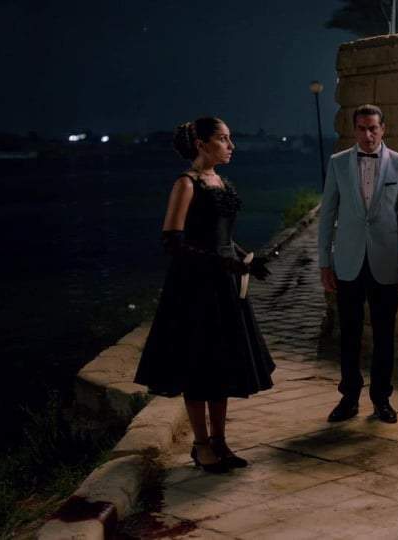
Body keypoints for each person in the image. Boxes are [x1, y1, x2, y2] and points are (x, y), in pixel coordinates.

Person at [135, 117, 275, 473]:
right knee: (198, 364)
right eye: (223, 139)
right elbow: (172, 242)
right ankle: (200, 446)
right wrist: (221, 263)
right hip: (195, 287)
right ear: (201, 144)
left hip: (224, 284)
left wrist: (246, 260)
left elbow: (223, 236)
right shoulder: (186, 183)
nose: (231, 145)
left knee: (222, 363)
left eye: (230, 138)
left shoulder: (222, 182)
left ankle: (220, 442)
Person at [318, 104, 398, 424]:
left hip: (386, 262)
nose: (368, 135)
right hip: (347, 261)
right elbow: (327, 215)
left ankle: (382, 399)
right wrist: (324, 262)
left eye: (373, 128)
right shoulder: (338, 163)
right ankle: (348, 398)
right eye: (361, 128)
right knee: (349, 334)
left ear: (383, 128)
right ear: (354, 130)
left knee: (384, 335)